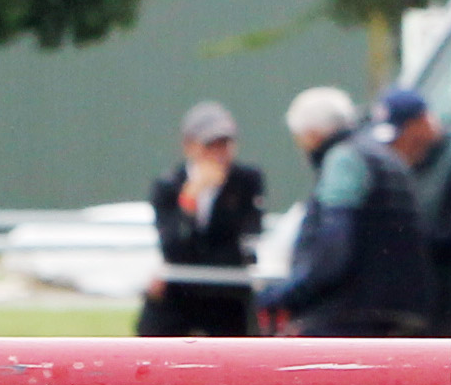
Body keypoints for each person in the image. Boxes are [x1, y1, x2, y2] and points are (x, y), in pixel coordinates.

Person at [256, 87, 432, 338]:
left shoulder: (343, 161)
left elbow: (333, 249)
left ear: (312, 134)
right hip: (400, 312)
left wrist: (286, 294)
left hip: (350, 315)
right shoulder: (387, 158)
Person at [375, 87, 451, 338]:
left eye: (401, 135)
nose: (396, 146)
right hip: (419, 306)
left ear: (422, 124)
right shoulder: (409, 163)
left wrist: (399, 239)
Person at [139, 100, 265, 338]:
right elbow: (172, 246)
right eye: (210, 145)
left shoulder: (246, 181)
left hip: (228, 290)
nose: (219, 154)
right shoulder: (169, 185)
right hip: (179, 288)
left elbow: (247, 238)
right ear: (189, 146)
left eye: (225, 145)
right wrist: (190, 200)